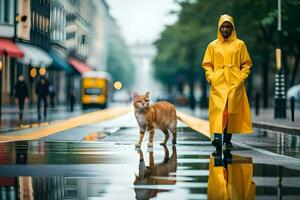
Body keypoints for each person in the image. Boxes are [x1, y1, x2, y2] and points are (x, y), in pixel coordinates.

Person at [202, 14, 253, 153]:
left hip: (234, 82)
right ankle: (217, 138)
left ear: (232, 28)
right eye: (223, 26)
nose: (225, 29)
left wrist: (241, 78)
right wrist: (211, 77)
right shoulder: (212, 45)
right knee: (219, 110)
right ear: (219, 28)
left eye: (228, 26)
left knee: (230, 111)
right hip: (218, 82)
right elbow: (207, 64)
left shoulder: (240, 44)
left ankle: (227, 139)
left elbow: (247, 64)